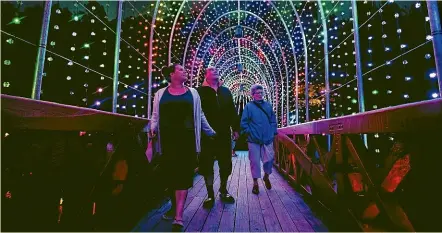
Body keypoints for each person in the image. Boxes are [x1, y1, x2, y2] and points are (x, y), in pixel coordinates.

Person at [150, 64, 216, 230]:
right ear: (172, 74)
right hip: (167, 142)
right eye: (181, 70)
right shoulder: (160, 94)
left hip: (187, 141)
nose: (185, 71)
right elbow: (155, 116)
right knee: (170, 176)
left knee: (183, 176)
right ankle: (175, 209)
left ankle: (178, 216)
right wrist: (152, 128)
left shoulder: (193, 93)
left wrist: (210, 132)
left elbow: (200, 115)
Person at [197, 67, 239, 207]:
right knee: (207, 164)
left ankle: (223, 190)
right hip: (206, 134)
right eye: (211, 70)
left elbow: (232, 110)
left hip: (224, 133)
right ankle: (210, 195)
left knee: (225, 163)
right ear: (206, 75)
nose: (215, 71)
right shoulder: (199, 92)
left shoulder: (225, 91)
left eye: (216, 70)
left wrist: (236, 128)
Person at [240, 84, 277, 194]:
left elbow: (273, 120)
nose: (260, 95)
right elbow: (244, 122)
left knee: (269, 160)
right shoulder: (248, 106)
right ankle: (255, 183)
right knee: (255, 162)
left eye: (261, 93)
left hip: (267, 138)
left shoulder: (268, 106)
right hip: (253, 139)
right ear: (253, 95)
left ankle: (266, 176)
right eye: (258, 93)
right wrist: (248, 132)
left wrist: (272, 131)